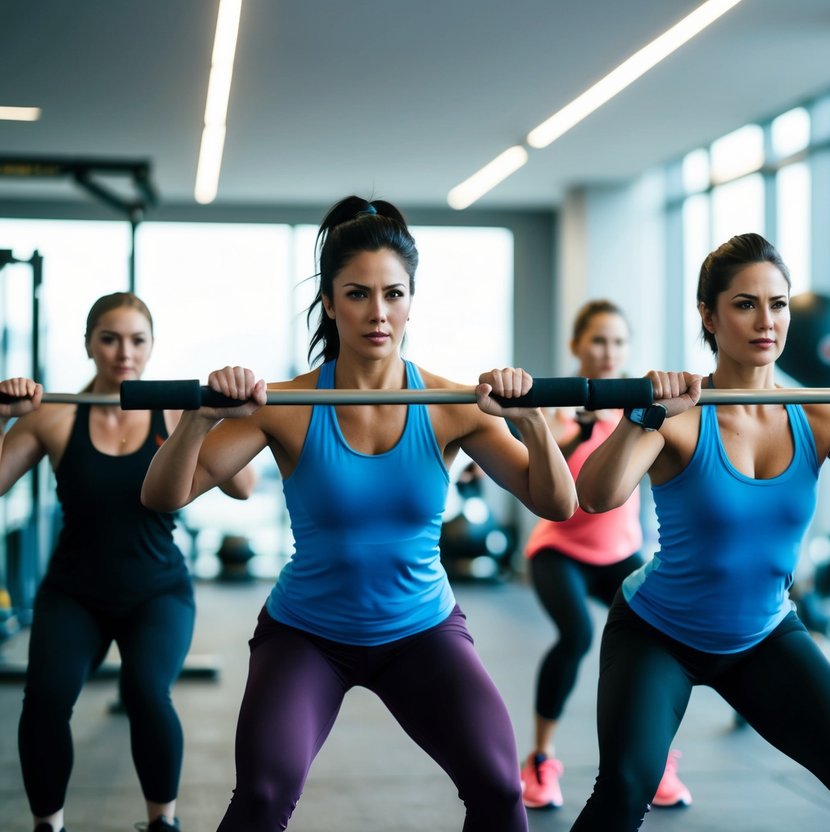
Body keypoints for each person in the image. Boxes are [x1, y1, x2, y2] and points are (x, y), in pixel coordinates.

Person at [140, 196, 576, 832]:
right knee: (261, 797)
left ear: (412, 299)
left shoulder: (451, 403)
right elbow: (162, 496)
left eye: (394, 294)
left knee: (499, 791)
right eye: (358, 294)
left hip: (421, 630)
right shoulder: (285, 404)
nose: (378, 313)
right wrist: (201, 419)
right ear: (329, 300)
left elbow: (555, 501)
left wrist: (534, 423)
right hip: (308, 635)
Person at [569, 233, 830, 831]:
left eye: (778, 304)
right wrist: (639, 417)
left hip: (764, 635)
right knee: (624, 788)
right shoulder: (681, 414)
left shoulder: (820, 413)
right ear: (709, 315)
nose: (766, 320)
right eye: (745, 304)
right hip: (659, 633)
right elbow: (595, 496)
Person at [0, 292, 257, 832]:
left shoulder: (171, 410)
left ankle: (162, 822)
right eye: (110, 338)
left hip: (156, 592)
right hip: (74, 592)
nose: (124, 352)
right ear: (89, 343)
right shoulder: (54, 416)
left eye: (137, 340)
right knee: (45, 701)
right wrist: (1, 418)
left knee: (145, 690)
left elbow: (244, 487)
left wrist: (207, 418)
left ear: (151, 346)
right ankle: (48, 825)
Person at [519, 299, 691, 810]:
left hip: (619, 553)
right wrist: (585, 426)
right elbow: (559, 486)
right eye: (598, 340)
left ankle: (650, 759)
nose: (609, 351)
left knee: (657, 644)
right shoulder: (554, 405)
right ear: (577, 346)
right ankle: (542, 760)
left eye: (618, 341)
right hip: (559, 551)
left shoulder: (638, 405)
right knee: (575, 637)